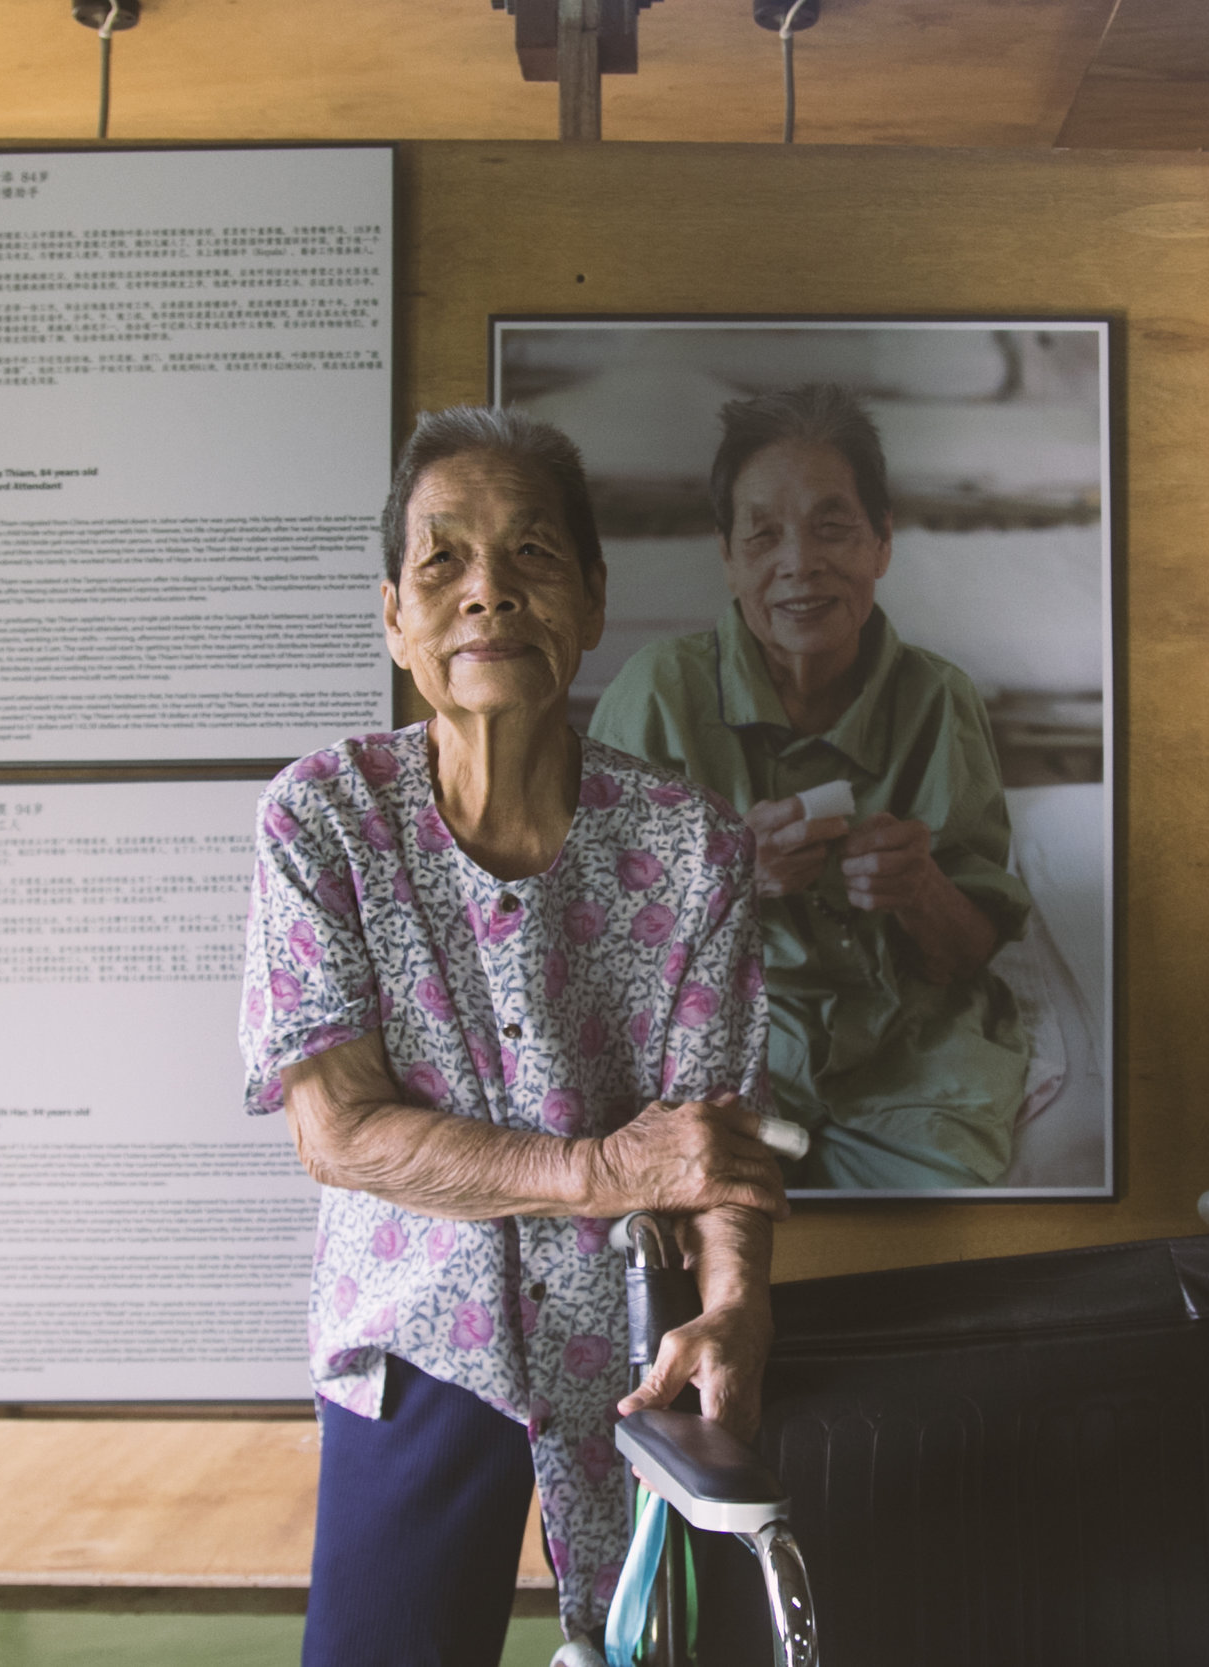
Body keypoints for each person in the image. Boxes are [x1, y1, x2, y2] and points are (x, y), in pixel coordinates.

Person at [239, 406, 782, 1665]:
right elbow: (341, 1133)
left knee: (672, 1655)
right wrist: (599, 1172)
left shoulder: (688, 846)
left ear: (590, 600)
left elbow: (719, 1140)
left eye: (532, 556)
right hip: (421, 1345)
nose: (488, 591)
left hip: (645, 1349)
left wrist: (739, 1306)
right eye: (444, 562)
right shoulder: (322, 821)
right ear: (395, 618)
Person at [589, 384, 1033, 1190]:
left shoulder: (938, 700)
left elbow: (971, 949)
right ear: (727, 556)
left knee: (938, 1263)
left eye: (834, 528)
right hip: (722, 1067)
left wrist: (923, 890)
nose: (800, 563)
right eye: (764, 536)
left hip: (911, 1066)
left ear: (882, 543)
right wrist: (733, 881)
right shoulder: (657, 696)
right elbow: (599, 959)